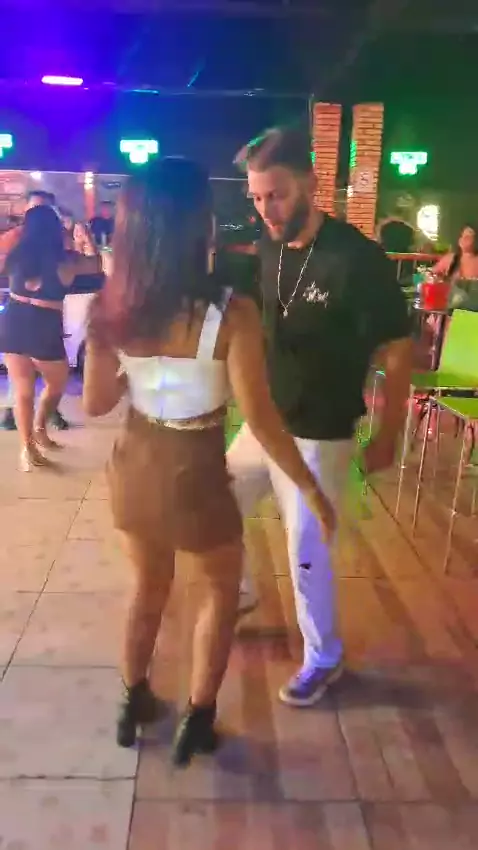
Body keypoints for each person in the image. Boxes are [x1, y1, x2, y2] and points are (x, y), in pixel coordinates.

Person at [83, 157, 336, 766]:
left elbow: (94, 403)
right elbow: (262, 420)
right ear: (199, 227)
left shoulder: (110, 307)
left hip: (135, 466)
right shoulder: (232, 312)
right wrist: (310, 489)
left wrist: (138, 365)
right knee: (219, 594)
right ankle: (198, 717)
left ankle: (132, 701)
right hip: (195, 473)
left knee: (147, 587)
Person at [229, 127, 412, 706]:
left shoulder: (357, 260)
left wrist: (389, 431)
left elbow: (398, 350)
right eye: (257, 198)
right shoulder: (268, 247)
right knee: (215, 501)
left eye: (277, 195)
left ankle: (324, 657)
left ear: (310, 184)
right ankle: (239, 592)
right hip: (266, 423)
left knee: (306, 551)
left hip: (322, 431)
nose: (266, 210)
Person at [0, 205, 101, 470]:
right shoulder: (66, 261)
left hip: (12, 321)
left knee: (22, 391)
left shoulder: (16, 257)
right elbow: (96, 265)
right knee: (56, 385)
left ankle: (28, 448)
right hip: (43, 326)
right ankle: (39, 429)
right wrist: (87, 238)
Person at [0, 190, 70, 432]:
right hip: (28, 314)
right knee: (26, 382)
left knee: (41, 380)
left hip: (30, 315)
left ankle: (42, 420)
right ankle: (21, 419)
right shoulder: (14, 238)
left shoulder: (59, 239)